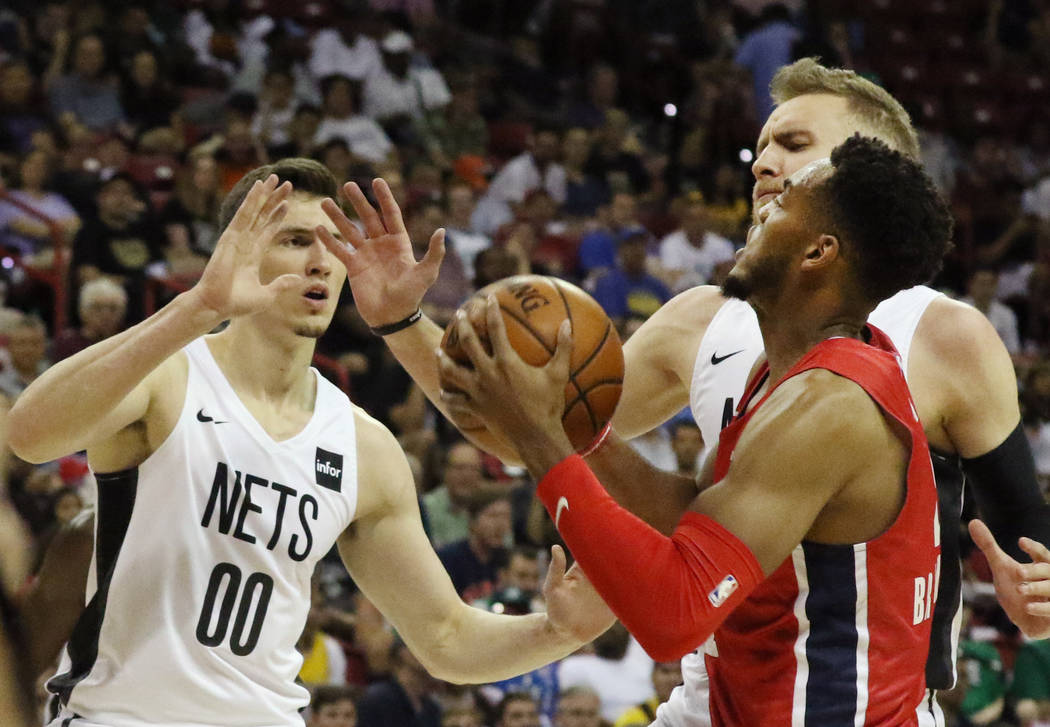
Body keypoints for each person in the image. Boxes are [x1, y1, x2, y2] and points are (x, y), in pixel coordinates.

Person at [322, 58, 1050, 725]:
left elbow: (670, 602)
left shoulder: (875, 371)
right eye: (762, 149)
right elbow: (627, 475)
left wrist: (551, 442)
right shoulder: (753, 341)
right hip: (721, 687)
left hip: (836, 703)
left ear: (856, 182)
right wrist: (403, 324)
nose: (764, 167)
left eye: (793, 151)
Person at [6, 158, 613, 727]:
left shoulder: (363, 445)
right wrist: (197, 307)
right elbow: (30, 435)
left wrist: (557, 632)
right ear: (237, 251)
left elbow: (447, 638)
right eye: (296, 240)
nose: (321, 261)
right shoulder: (169, 377)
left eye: (334, 245)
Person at [439, 136, 951, 724]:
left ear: (817, 253)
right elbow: (695, 515)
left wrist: (540, 440)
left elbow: (673, 618)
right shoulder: (786, 377)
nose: (759, 210)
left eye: (783, 204)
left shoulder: (830, 405)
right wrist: (577, 432)